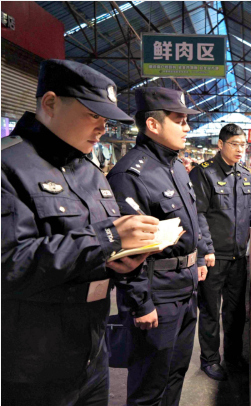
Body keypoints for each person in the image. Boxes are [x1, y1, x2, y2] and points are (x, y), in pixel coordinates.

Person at [1, 59, 159, 406]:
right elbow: (8, 264)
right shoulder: (8, 166)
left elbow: (91, 253)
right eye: (93, 115)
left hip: (92, 356)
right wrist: (107, 239)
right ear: (50, 103)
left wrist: (123, 260)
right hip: (33, 368)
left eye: (106, 119)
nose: (102, 128)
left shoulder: (91, 172)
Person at [106, 87, 209, 406]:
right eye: (179, 120)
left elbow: (192, 216)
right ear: (153, 124)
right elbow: (124, 251)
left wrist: (199, 258)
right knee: (149, 386)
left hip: (185, 290)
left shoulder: (176, 166)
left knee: (176, 373)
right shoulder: (129, 174)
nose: (187, 127)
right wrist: (140, 303)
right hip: (157, 295)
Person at [190, 124, 251, 381]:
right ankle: (210, 360)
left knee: (235, 311)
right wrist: (205, 250)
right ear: (220, 144)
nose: (240, 149)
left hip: (238, 256)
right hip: (215, 257)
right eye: (234, 144)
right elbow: (198, 214)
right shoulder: (204, 173)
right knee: (211, 310)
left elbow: (250, 203)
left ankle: (233, 356)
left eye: (243, 144)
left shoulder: (244, 174)